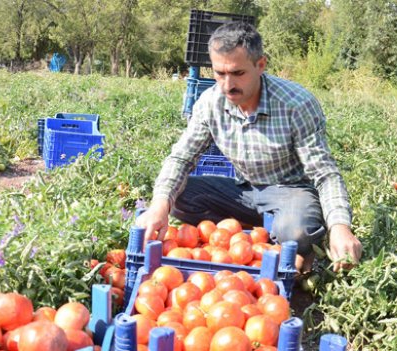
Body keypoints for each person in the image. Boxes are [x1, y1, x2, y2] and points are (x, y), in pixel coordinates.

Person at [136, 22, 361, 273]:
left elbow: (324, 174)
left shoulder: (295, 105)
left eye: (237, 73)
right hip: (244, 190)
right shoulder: (210, 103)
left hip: (291, 191)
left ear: (260, 65)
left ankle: (291, 238)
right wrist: (159, 204)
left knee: (297, 232)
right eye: (219, 73)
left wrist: (340, 226)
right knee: (177, 198)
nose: (227, 84)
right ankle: (253, 237)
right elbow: (181, 158)